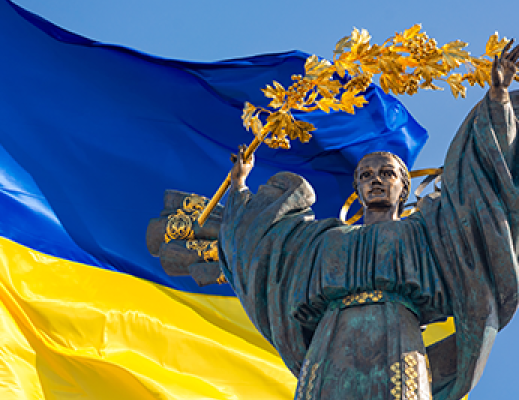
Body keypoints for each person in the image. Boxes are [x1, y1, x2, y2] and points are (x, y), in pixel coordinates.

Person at [219, 42, 519, 400]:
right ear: (357, 188)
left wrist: (498, 100)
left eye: (387, 173)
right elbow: (261, 246)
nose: (376, 180)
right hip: (331, 345)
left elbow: (479, 189)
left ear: (404, 187)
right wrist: (238, 188)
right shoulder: (324, 239)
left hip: (398, 339)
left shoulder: (427, 231)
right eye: (366, 175)